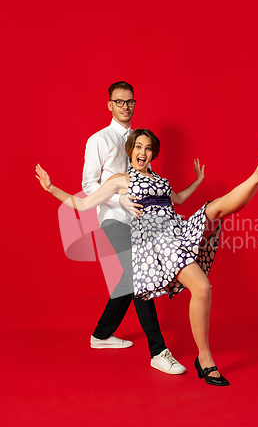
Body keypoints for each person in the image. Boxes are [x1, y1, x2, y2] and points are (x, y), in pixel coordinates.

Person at [36, 128, 258, 386]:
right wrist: (52, 188)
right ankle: (204, 359)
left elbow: (177, 200)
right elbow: (85, 205)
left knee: (215, 217)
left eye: (147, 148)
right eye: (138, 147)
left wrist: (198, 180)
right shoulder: (120, 180)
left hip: (174, 230)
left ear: (153, 153)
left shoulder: (161, 180)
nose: (142, 152)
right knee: (201, 282)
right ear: (130, 150)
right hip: (154, 241)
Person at [81, 81, 204, 375]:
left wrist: (196, 182)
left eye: (130, 101)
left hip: (146, 222)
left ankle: (100, 335)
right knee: (139, 275)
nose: (125, 106)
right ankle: (158, 350)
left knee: (127, 280)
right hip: (115, 217)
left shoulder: (139, 139)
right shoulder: (98, 140)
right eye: (119, 102)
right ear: (109, 105)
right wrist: (119, 198)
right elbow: (88, 185)